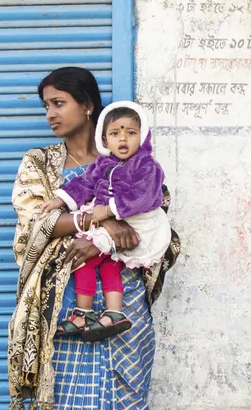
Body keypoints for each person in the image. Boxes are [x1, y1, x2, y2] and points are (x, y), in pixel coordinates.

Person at [7, 67, 179, 410]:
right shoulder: (41, 164)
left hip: (124, 308)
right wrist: (105, 220)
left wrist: (122, 226)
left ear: (87, 106)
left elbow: (160, 225)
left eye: (58, 103)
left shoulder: (134, 160)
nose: (50, 114)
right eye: (46, 106)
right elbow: (36, 222)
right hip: (65, 307)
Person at [41, 101, 172, 341]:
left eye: (131, 133)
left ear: (142, 136)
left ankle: (83, 314)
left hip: (140, 224)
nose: (123, 139)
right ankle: (114, 313)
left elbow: (143, 196)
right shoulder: (104, 163)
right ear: (104, 138)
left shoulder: (146, 164)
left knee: (86, 262)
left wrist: (108, 210)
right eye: (115, 133)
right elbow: (84, 184)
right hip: (111, 220)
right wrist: (59, 201)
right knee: (109, 265)